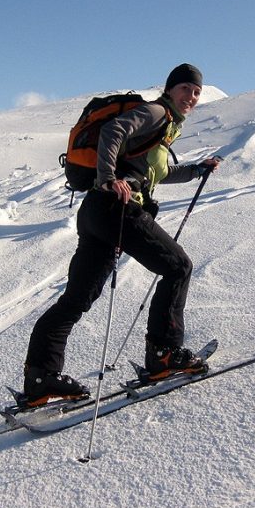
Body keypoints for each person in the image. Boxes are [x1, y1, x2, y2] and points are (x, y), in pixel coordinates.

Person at [21, 63, 221, 407]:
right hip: (117, 207)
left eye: (197, 91)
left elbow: (157, 172)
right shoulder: (156, 112)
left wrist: (196, 170)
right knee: (178, 267)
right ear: (171, 89)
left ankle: (41, 377)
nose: (191, 96)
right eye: (186, 88)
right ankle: (164, 354)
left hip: (97, 213)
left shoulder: (165, 126)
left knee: (77, 298)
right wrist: (108, 176)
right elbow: (114, 130)